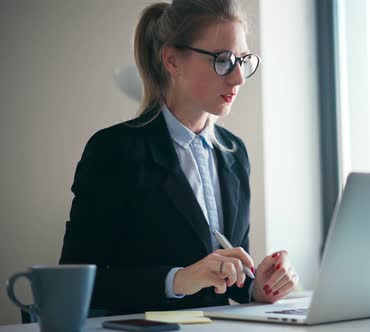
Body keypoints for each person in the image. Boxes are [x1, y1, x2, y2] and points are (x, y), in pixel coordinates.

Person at [59, 0, 298, 315]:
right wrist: (178, 280)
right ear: (172, 60)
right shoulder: (114, 150)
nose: (238, 77)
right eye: (224, 60)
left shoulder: (234, 152)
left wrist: (256, 286)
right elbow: (75, 283)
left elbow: (229, 270)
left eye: (243, 60)